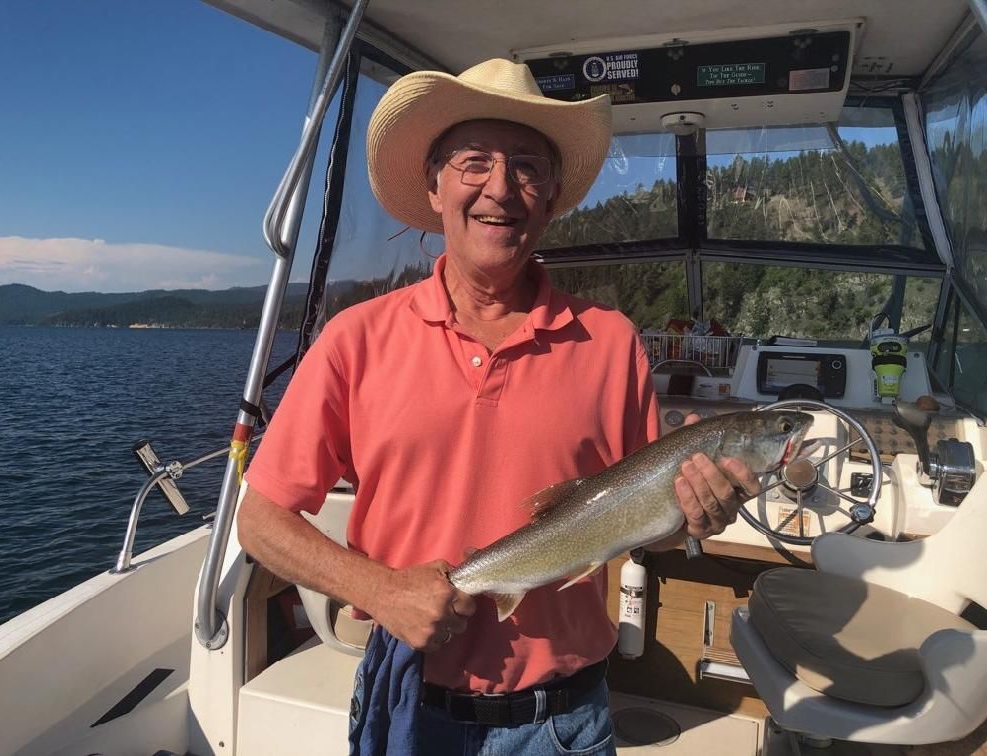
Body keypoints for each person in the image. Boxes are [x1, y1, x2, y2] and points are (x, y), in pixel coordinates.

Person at [238, 58, 759, 754]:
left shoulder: (610, 343)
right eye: (473, 162)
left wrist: (692, 515)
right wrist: (381, 589)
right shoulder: (355, 339)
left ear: (550, 196)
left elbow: (640, 526)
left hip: (563, 722)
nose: (500, 188)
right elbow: (259, 519)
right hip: (407, 707)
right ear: (434, 185)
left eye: (526, 166)